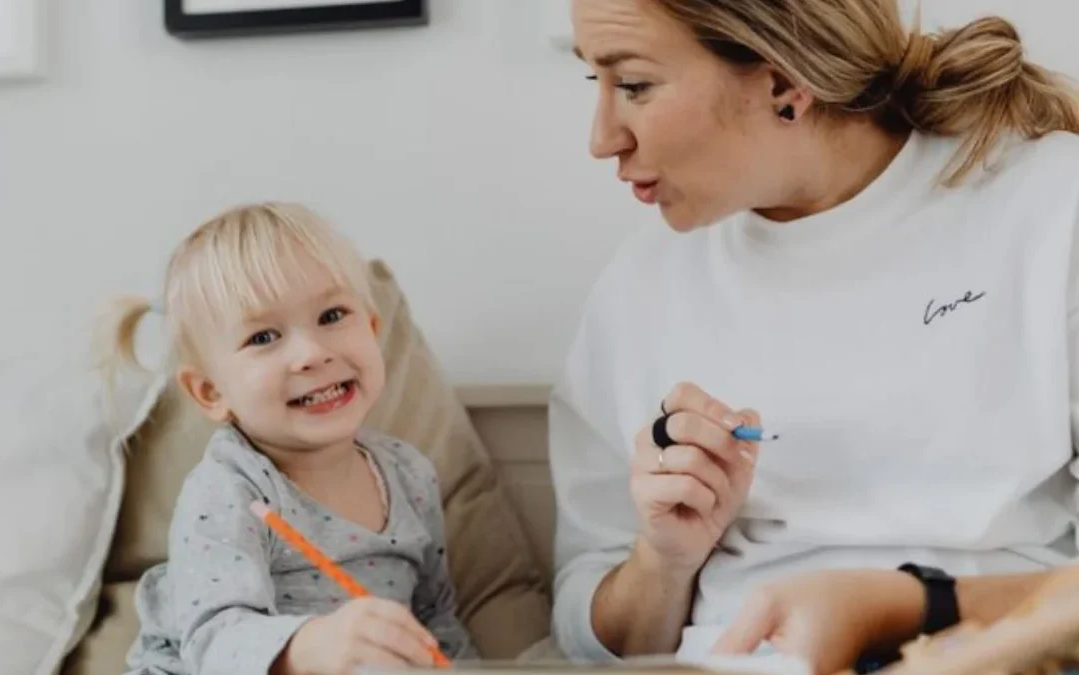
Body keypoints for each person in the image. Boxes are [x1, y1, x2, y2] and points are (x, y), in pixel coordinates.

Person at [549, 0, 1079, 672]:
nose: (602, 138)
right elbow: (587, 635)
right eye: (592, 83)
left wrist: (903, 604)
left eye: (633, 86)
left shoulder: (1052, 208)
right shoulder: (638, 289)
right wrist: (663, 558)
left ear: (782, 82)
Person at [98, 202, 475, 675]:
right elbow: (214, 639)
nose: (312, 353)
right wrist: (308, 647)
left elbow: (435, 621)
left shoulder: (410, 475)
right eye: (263, 337)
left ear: (373, 331)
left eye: (333, 314)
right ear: (212, 392)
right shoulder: (229, 491)